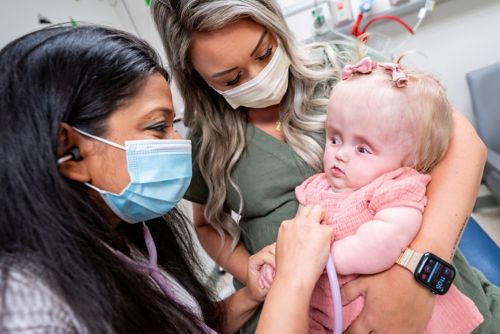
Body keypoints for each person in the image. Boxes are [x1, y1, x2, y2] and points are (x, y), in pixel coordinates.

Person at [152, 0, 500, 333]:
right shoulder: (207, 140)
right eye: (231, 79)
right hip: (302, 310)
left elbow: (461, 143)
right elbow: (207, 225)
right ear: (197, 78)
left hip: (421, 283)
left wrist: (417, 273)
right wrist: (269, 278)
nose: (258, 77)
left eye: (265, 53)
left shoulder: (346, 68)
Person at [0, 25, 335, 333]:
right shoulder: (31, 307)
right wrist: (293, 279)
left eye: (173, 124)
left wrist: (252, 295)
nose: (178, 144)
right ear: (70, 149)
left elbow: (187, 325)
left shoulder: (132, 240)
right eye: (158, 127)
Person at [259, 56, 487, 333]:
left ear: (410, 159)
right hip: (327, 308)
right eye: (334, 138)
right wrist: (282, 266)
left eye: (363, 149)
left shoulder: (395, 186)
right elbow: (298, 237)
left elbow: (383, 242)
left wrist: (323, 258)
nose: (340, 154)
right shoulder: (318, 187)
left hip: (397, 314)